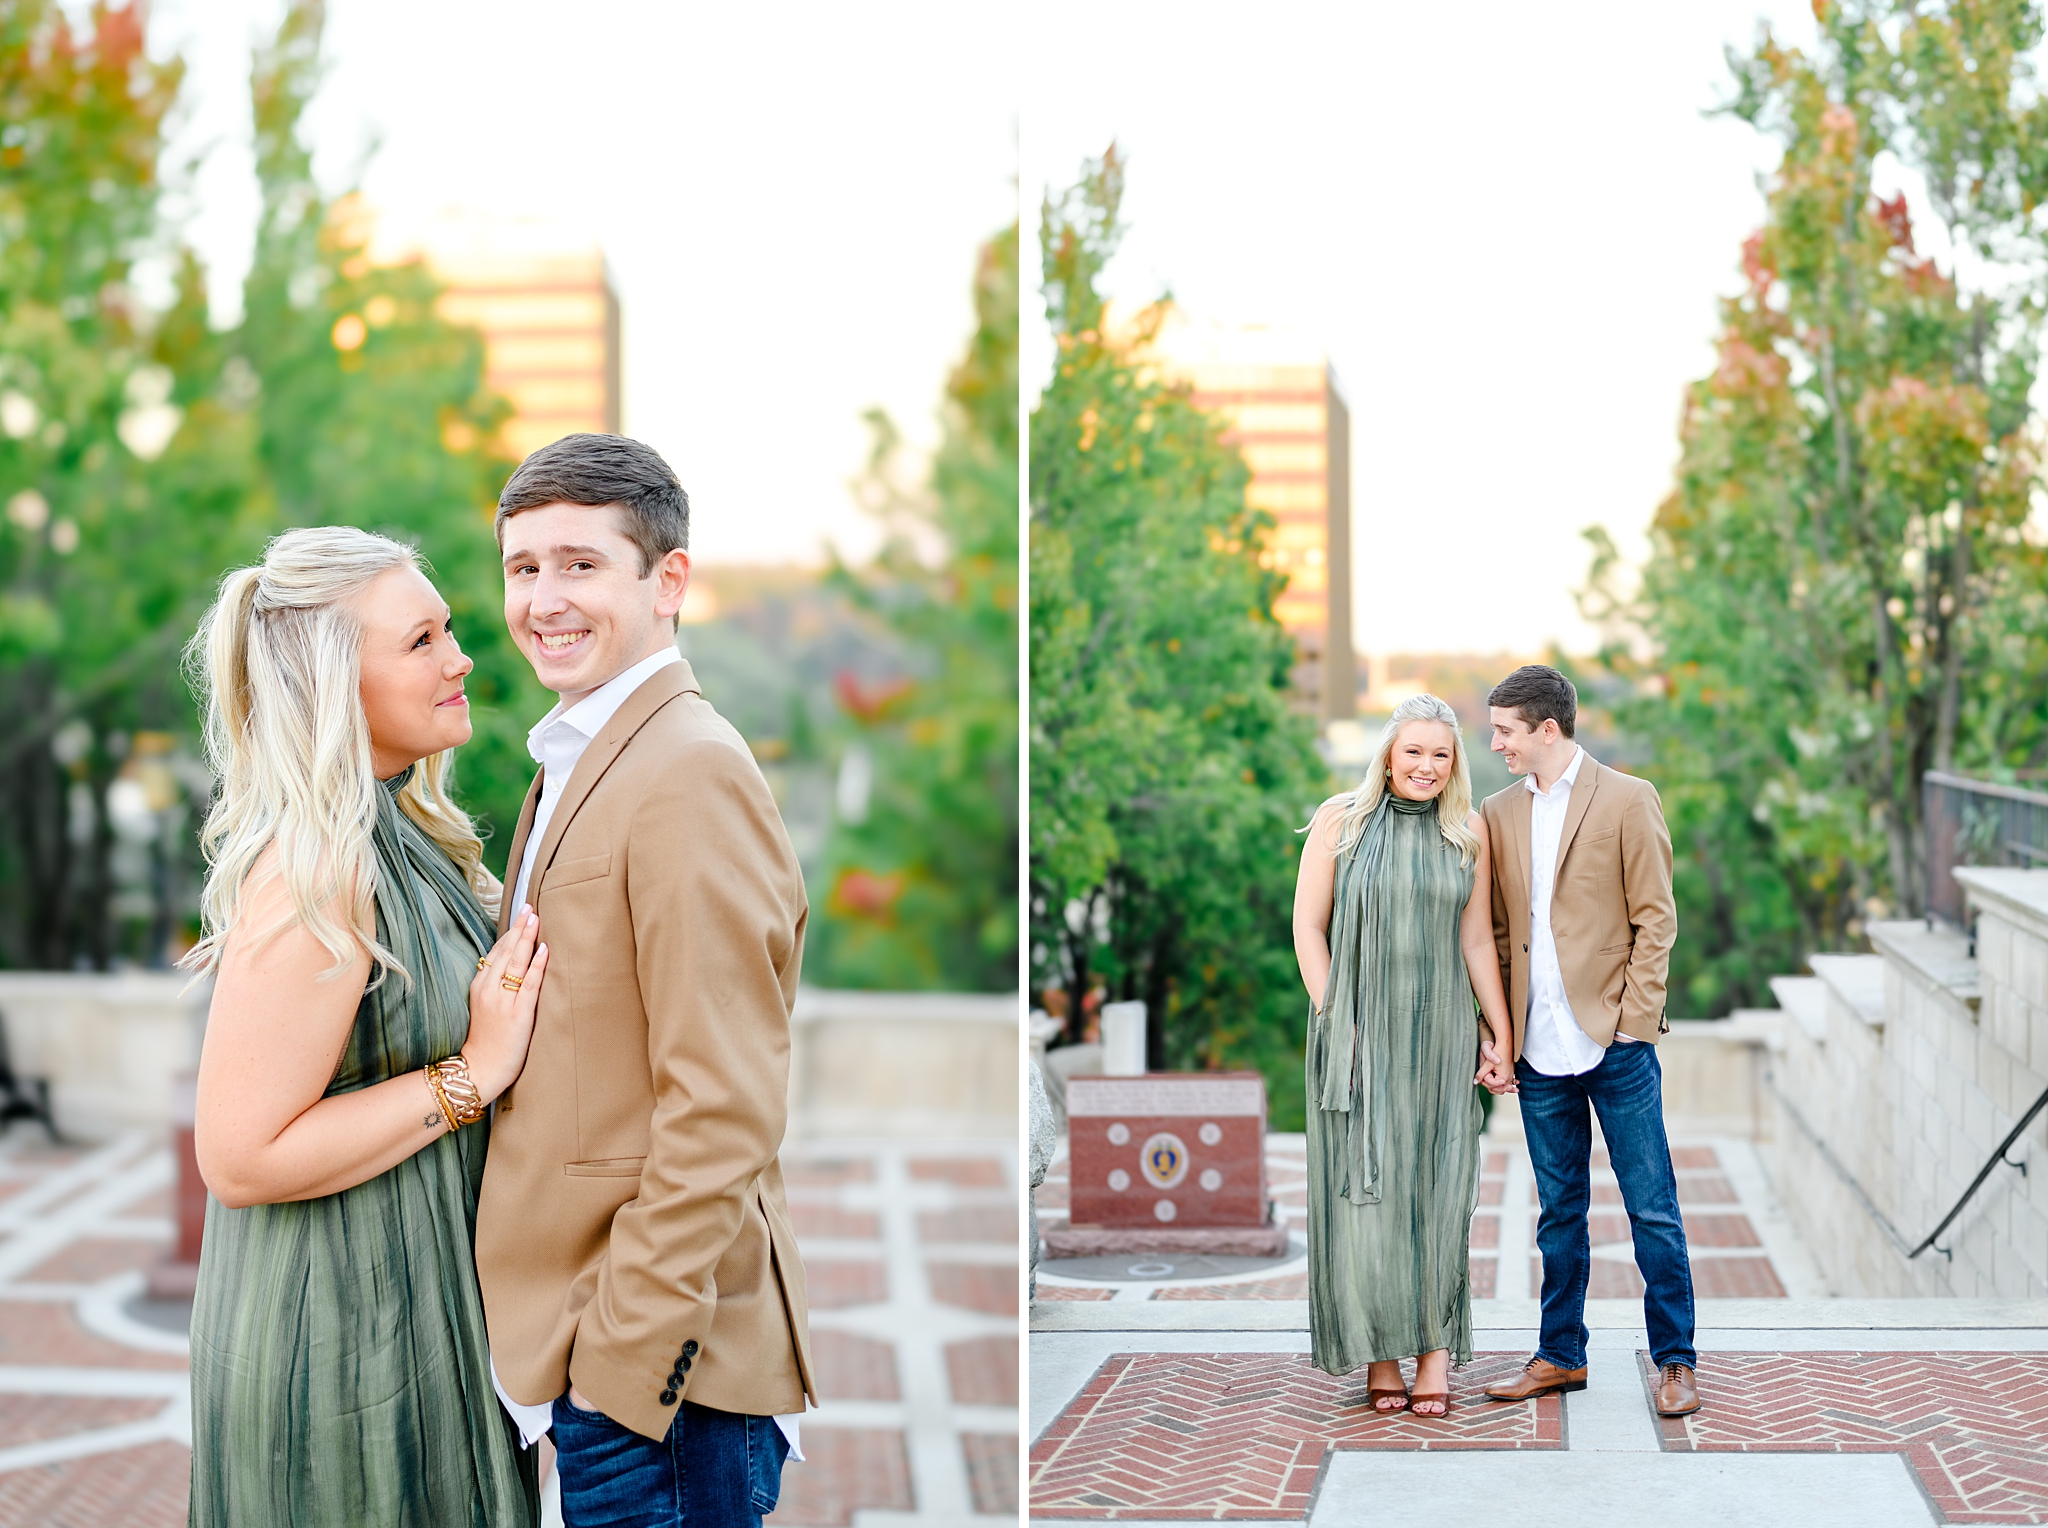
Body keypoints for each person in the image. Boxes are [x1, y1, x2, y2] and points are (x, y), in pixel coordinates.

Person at [473, 434, 816, 1528]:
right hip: (589, 1362)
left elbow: (723, 1102)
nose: (543, 598)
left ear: (667, 581)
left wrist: (620, 1370)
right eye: (524, 567)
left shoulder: (686, 769)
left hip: (657, 1385)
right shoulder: (581, 754)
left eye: (579, 564)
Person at [182, 526, 546, 1526]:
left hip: (417, 1311)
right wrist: (469, 1074)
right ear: (338, 684)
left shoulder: (403, 831)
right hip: (338, 1345)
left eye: (448, 630)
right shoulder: (320, 868)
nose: (461, 656)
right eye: (420, 641)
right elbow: (239, 1155)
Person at [1473, 664, 1698, 1418]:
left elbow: (1655, 920)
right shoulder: (1495, 812)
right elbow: (1498, 933)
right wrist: (1499, 1034)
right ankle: (1560, 1355)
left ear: (1547, 729)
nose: (1494, 742)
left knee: (1652, 1209)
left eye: (1505, 730)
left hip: (1615, 1041)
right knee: (1558, 1212)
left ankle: (1675, 1361)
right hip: (1538, 1050)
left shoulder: (1630, 799)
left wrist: (1634, 1023)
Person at [1293, 693, 1516, 1417]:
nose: (1426, 765)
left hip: (1442, 1035)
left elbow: (1477, 940)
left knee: (1438, 1192)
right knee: (1369, 1197)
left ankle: (1434, 1355)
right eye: (1414, 750)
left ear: (1455, 765)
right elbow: (1308, 930)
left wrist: (1498, 1031)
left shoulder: (1468, 833)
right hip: (1355, 1035)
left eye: (1441, 754)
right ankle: (1380, 1352)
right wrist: (1337, 1021)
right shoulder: (1340, 822)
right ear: (1388, 753)